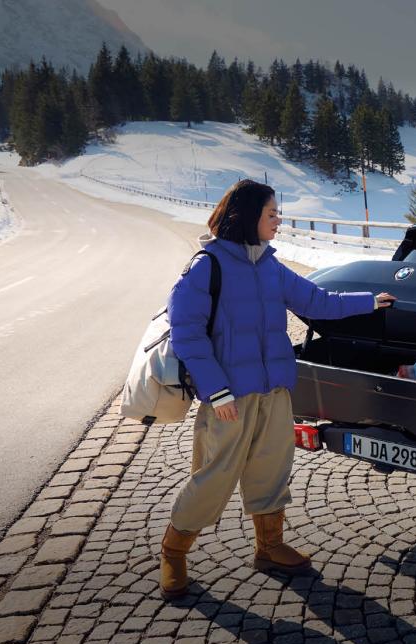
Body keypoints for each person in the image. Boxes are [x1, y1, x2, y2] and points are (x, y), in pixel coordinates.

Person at [159, 179, 395, 600]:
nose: (278, 221)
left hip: (274, 392)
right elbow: (186, 333)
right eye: (272, 214)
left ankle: (269, 548)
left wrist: (369, 301)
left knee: (271, 470)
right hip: (229, 398)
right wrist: (216, 391)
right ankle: (173, 553)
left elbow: (317, 301)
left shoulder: (270, 266)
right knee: (213, 478)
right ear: (248, 216)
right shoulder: (206, 266)